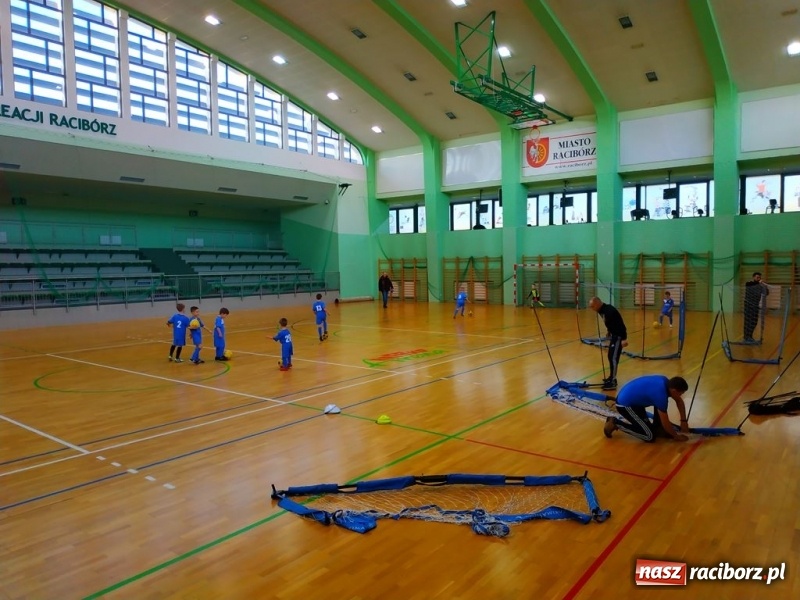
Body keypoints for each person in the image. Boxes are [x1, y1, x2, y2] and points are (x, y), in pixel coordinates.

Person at [603, 375, 690, 443]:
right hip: (625, 406)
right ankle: (615, 423)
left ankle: (658, 428)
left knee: (659, 407)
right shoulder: (660, 395)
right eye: (680, 393)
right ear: (674, 390)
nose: (680, 396)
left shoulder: (666, 382)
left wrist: (683, 421)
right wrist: (677, 436)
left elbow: (679, 401)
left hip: (635, 402)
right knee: (649, 436)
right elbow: (665, 421)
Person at [588, 296, 628, 390]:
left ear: (598, 304)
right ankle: (611, 377)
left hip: (618, 336)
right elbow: (610, 323)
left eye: (592, 306)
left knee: (613, 358)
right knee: (610, 356)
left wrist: (624, 339)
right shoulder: (601, 310)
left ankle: (613, 381)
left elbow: (620, 324)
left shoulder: (609, 311)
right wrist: (609, 331)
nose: (592, 309)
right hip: (614, 335)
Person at [743, 272, 769, 342]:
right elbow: (750, 285)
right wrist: (759, 283)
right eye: (757, 277)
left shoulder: (760, 286)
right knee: (748, 321)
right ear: (753, 277)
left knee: (754, 322)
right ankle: (746, 337)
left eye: (759, 277)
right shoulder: (749, 283)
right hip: (748, 305)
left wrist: (764, 286)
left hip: (755, 305)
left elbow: (766, 293)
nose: (758, 279)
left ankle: (750, 336)